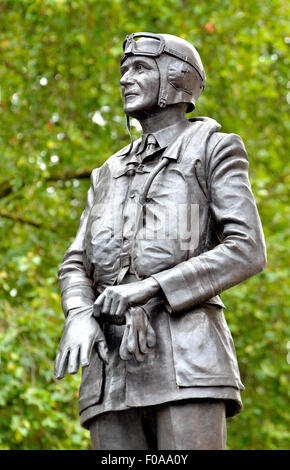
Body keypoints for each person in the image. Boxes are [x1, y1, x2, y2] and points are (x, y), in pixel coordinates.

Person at [54, 32, 266, 450]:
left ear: (175, 78)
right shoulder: (108, 171)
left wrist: (151, 287)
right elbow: (75, 262)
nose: (125, 80)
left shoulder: (212, 148)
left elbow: (247, 248)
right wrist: (78, 312)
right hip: (109, 372)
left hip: (189, 364)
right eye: (123, 70)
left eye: (139, 68)